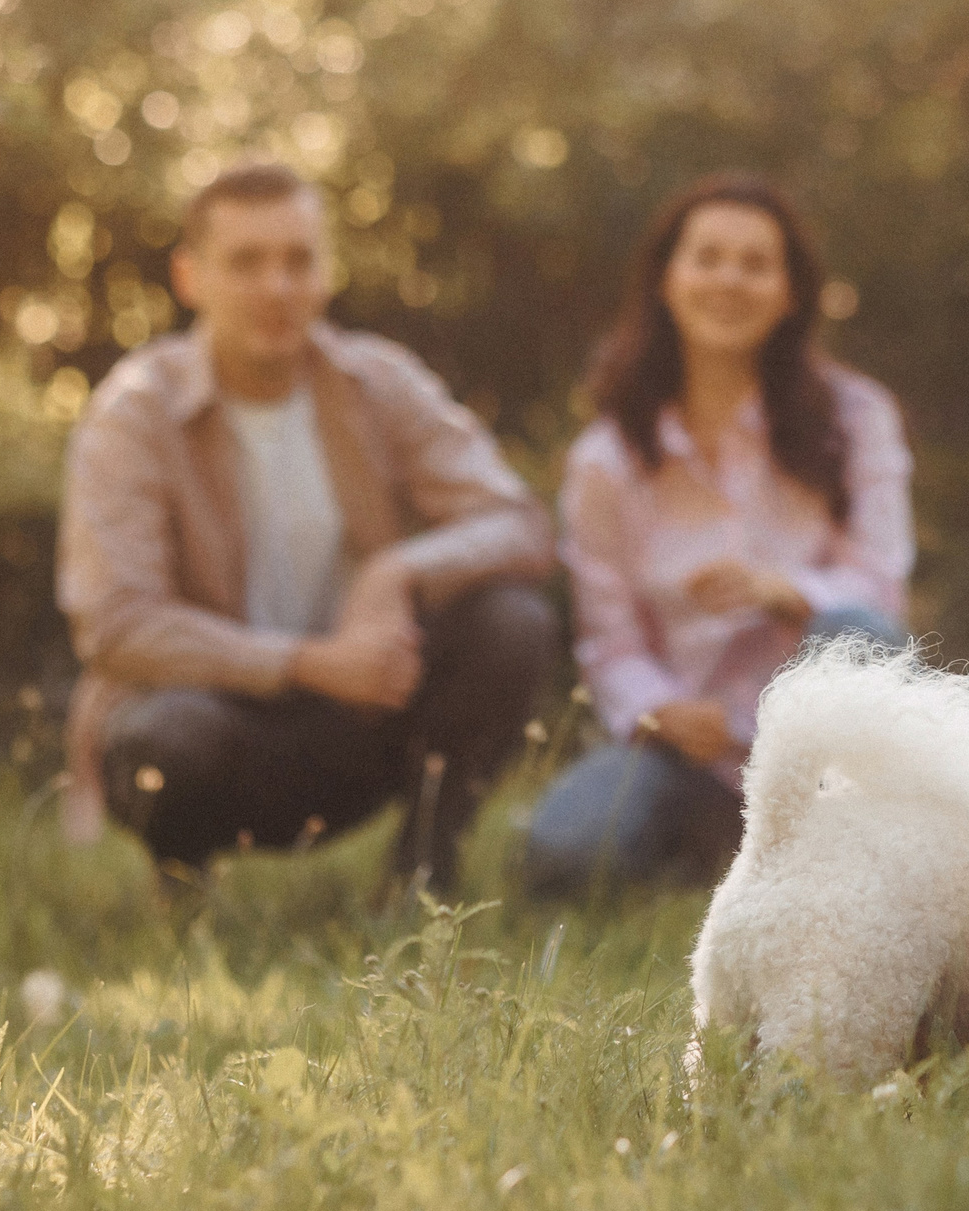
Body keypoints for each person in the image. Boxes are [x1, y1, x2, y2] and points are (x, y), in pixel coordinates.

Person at [57, 161, 556, 890]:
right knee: (162, 738)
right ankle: (183, 888)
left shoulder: (381, 381)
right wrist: (305, 662)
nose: (277, 288)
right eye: (247, 263)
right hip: (217, 727)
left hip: (361, 717)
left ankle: (421, 883)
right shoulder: (133, 411)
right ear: (190, 277)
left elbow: (517, 520)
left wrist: (400, 571)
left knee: (512, 622)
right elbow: (116, 625)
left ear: (327, 274)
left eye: (298, 261)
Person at [526, 171, 913, 893]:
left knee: (858, 628)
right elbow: (609, 641)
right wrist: (661, 711)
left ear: (790, 291)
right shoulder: (606, 460)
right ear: (667, 280)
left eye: (755, 263)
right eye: (707, 258)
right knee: (561, 851)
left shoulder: (858, 417)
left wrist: (785, 589)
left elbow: (881, 592)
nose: (729, 279)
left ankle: (832, 852)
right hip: (688, 753)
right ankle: (722, 848)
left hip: (820, 745)